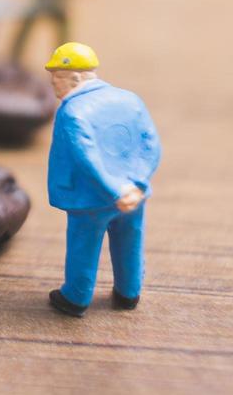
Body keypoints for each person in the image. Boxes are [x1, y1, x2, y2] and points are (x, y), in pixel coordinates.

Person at [44, 42, 162, 317]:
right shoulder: (130, 99)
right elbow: (151, 145)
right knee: (131, 241)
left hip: (90, 200)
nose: (52, 86)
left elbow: (87, 160)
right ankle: (128, 293)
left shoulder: (72, 112)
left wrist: (115, 191)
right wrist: (137, 185)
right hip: (133, 196)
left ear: (75, 78)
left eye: (55, 79)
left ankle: (76, 297)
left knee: (83, 246)